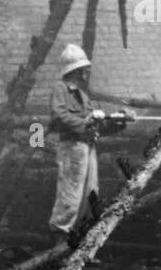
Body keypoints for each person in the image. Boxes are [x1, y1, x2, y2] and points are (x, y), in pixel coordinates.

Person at [48, 43, 128, 249]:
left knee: (90, 193)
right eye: (84, 68)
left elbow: (97, 125)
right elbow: (59, 116)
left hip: (87, 147)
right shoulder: (61, 89)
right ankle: (60, 242)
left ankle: (78, 244)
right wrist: (86, 121)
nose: (87, 71)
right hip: (71, 147)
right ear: (75, 70)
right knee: (70, 193)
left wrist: (120, 120)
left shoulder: (82, 96)